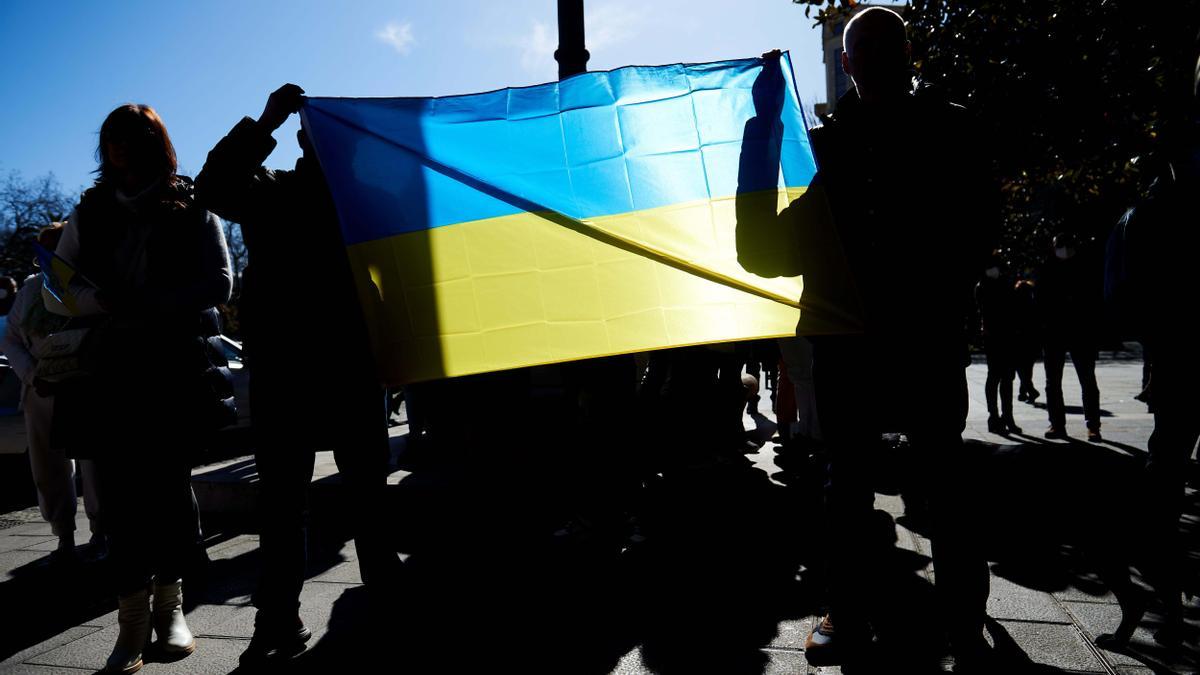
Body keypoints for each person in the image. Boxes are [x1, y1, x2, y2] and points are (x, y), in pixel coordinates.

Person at [737, 7, 997, 668]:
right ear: (854, 63)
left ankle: (936, 615)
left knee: (918, 477)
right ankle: (892, 613)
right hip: (869, 344)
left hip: (908, 338)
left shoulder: (945, 129)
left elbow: (978, 231)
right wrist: (764, 135)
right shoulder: (827, 150)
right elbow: (764, 253)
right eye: (870, 49)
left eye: (884, 47)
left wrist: (764, 134)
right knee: (874, 481)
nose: (875, 60)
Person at [195, 84, 399, 665]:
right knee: (313, 498)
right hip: (309, 364)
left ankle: (291, 615)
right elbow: (213, 187)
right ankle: (284, 614)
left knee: (332, 497)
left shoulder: (358, 199)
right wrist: (266, 120)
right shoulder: (284, 193)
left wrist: (268, 120)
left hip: (336, 362)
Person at [49, 103, 231, 673]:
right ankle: (130, 623)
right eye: (110, 138)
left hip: (171, 368)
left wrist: (154, 302)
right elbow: (57, 287)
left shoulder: (191, 203)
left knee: (169, 491)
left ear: (156, 142)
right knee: (120, 500)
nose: (119, 146)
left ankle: (172, 608)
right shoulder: (89, 209)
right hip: (109, 370)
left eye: (132, 136)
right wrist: (99, 301)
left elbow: (221, 282)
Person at [0, 224, 105, 564]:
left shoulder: (88, 284)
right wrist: (32, 375)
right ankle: (64, 533)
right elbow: (12, 338)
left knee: (95, 462)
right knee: (47, 464)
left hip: (85, 384)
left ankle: (101, 531)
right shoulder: (31, 288)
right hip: (41, 389)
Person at [1036, 232, 1103, 442]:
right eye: (1059, 245)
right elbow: (1039, 300)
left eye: (1066, 245)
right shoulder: (1046, 268)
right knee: (1053, 382)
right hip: (1054, 332)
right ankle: (1057, 424)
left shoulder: (1085, 267)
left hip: (1080, 332)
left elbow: (1094, 300)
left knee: (1087, 381)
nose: (1063, 249)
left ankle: (1093, 426)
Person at [975, 251, 1022, 435]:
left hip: (1007, 335)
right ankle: (994, 416)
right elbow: (984, 312)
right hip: (993, 336)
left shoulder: (1005, 284)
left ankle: (1007, 416)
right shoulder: (982, 287)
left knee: (1007, 377)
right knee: (995, 376)